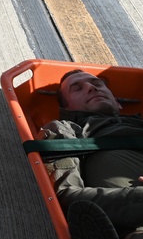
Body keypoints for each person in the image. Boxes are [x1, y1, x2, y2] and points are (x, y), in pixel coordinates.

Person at [38, 70, 143, 239]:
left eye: (97, 84)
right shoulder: (65, 131)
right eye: (77, 88)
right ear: (67, 109)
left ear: (117, 103)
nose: (91, 88)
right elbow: (66, 197)